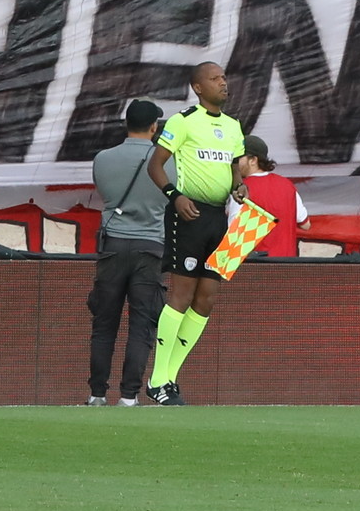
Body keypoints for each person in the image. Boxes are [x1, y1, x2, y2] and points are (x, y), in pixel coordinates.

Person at [144, 60, 259, 407]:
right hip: (188, 213)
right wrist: (174, 196)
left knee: (206, 298)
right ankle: (156, 380)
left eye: (224, 76)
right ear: (198, 87)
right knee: (181, 294)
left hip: (217, 217)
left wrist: (239, 188)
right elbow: (155, 165)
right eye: (215, 78)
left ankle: (171, 379)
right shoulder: (182, 121)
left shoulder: (234, 126)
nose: (223, 83)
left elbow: (235, 171)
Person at [85, 96, 171, 406]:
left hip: (112, 245)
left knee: (104, 323)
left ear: (126, 124)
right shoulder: (168, 162)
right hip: (150, 246)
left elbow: (104, 192)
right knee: (141, 324)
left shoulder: (103, 158)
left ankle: (96, 394)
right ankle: (129, 395)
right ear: (154, 127)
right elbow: (171, 198)